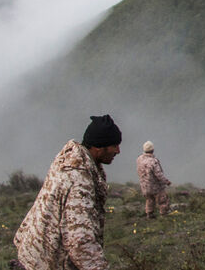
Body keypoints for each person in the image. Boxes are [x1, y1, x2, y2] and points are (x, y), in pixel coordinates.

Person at [12, 115, 122, 270]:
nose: (118, 150)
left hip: (34, 253)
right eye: (114, 145)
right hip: (44, 263)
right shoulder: (79, 179)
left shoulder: (69, 159)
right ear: (98, 147)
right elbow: (80, 241)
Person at [136, 141, 171, 218]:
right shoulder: (153, 161)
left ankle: (149, 214)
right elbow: (158, 174)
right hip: (155, 186)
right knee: (162, 200)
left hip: (144, 186)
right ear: (152, 150)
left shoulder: (139, 159)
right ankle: (164, 216)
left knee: (149, 200)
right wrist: (166, 181)